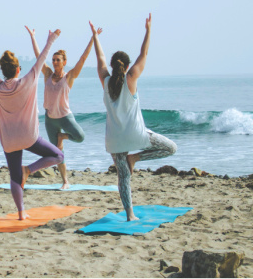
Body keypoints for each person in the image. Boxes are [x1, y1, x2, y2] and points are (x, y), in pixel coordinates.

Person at [90, 14, 176, 221]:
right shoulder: (132, 78)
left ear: (112, 66)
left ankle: (130, 214)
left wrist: (95, 37)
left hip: (115, 139)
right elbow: (144, 53)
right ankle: (135, 157)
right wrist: (148, 30)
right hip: (136, 135)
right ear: (127, 66)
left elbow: (99, 59)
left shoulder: (106, 80)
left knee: (123, 177)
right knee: (171, 148)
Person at [0, 30, 65, 220]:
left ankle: (21, 214)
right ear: (17, 70)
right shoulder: (27, 81)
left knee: (14, 178)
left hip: (9, 140)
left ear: (5, 71)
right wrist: (51, 40)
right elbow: (41, 59)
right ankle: (28, 170)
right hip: (29, 137)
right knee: (58, 155)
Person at [25, 25, 102, 189]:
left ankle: (63, 137)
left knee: (80, 136)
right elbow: (40, 56)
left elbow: (83, 58)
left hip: (66, 117)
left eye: (57, 60)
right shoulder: (46, 74)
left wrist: (93, 38)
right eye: (53, 60)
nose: (54, 62)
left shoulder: (70, 77)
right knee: (57, 155)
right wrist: (33, 36)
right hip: (50, 120)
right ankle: (65, 181)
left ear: (64, 62)